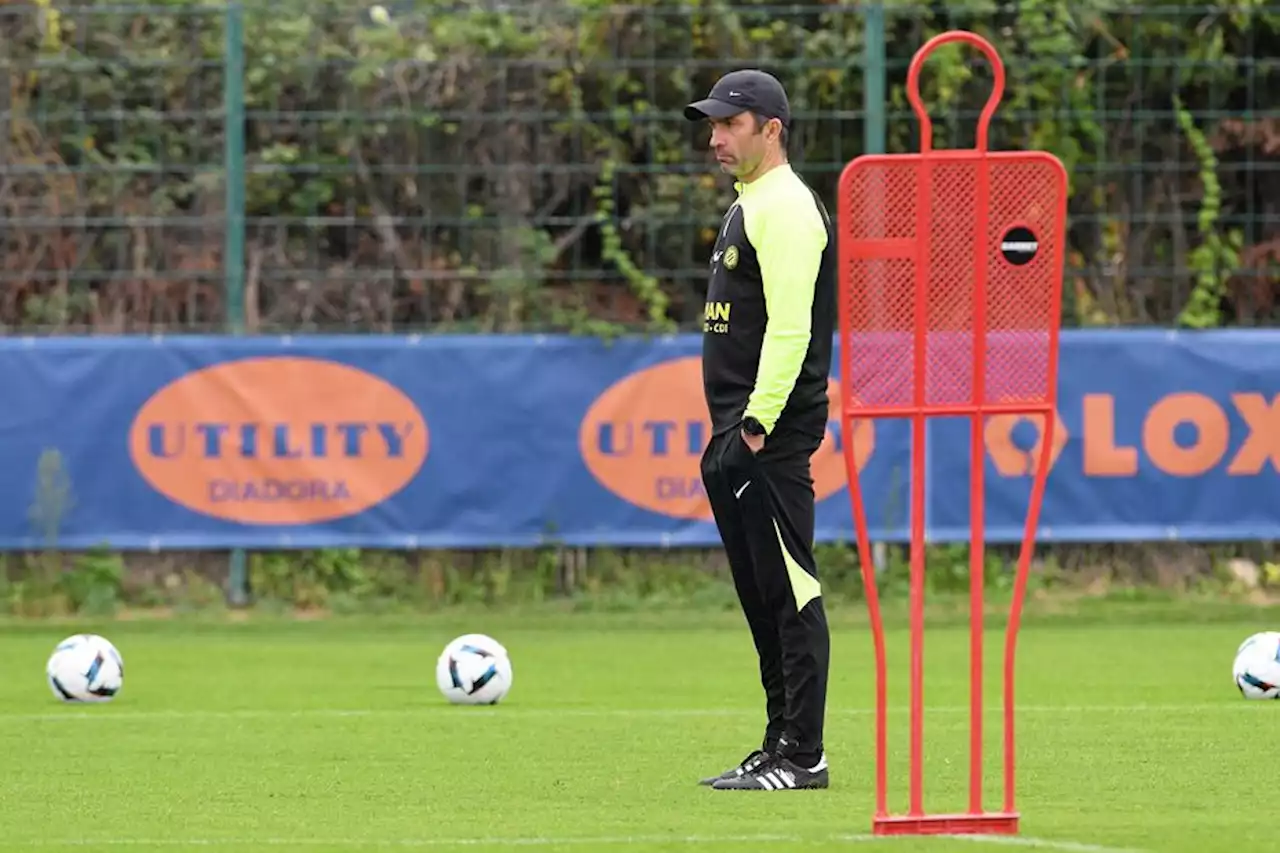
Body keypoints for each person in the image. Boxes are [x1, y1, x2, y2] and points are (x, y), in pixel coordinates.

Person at [683, 69, 836, 792]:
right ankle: (777, 740)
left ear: (771, 128)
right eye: (712, 125)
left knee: (791, 590)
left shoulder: (787, 208)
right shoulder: (751, 204)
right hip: (735, 434)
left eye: (729, 124)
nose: (714, 137)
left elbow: (792, 328)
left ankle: (803, 752)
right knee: (760, 594)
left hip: (764, 434)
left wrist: (754, 423)